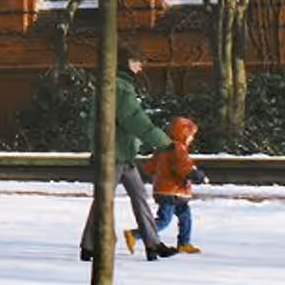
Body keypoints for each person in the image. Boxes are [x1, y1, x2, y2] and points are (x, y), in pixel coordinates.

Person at [80, 43, 178, 262]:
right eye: (136, 62)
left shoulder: (116, 85)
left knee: (138, 197)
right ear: (125, 63)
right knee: (105, 200)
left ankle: (152, 244)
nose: (140, 67)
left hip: (122, 154)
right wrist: (163, 142)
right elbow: (134, 120)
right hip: (113, 154)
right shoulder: (120, 87)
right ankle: (90, 245)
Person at [140, 115, 208, 256]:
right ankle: (136, 234)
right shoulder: (178, 148)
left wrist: (160, 173)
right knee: (164, 220)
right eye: (190, 136)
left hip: (167, 190)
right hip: (171, 191)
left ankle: (184, 243)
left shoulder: (163, 147)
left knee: (185, 216)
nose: (192, 139)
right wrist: (198, 176)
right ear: (183, 134)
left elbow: (150, 167)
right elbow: (183, 167)